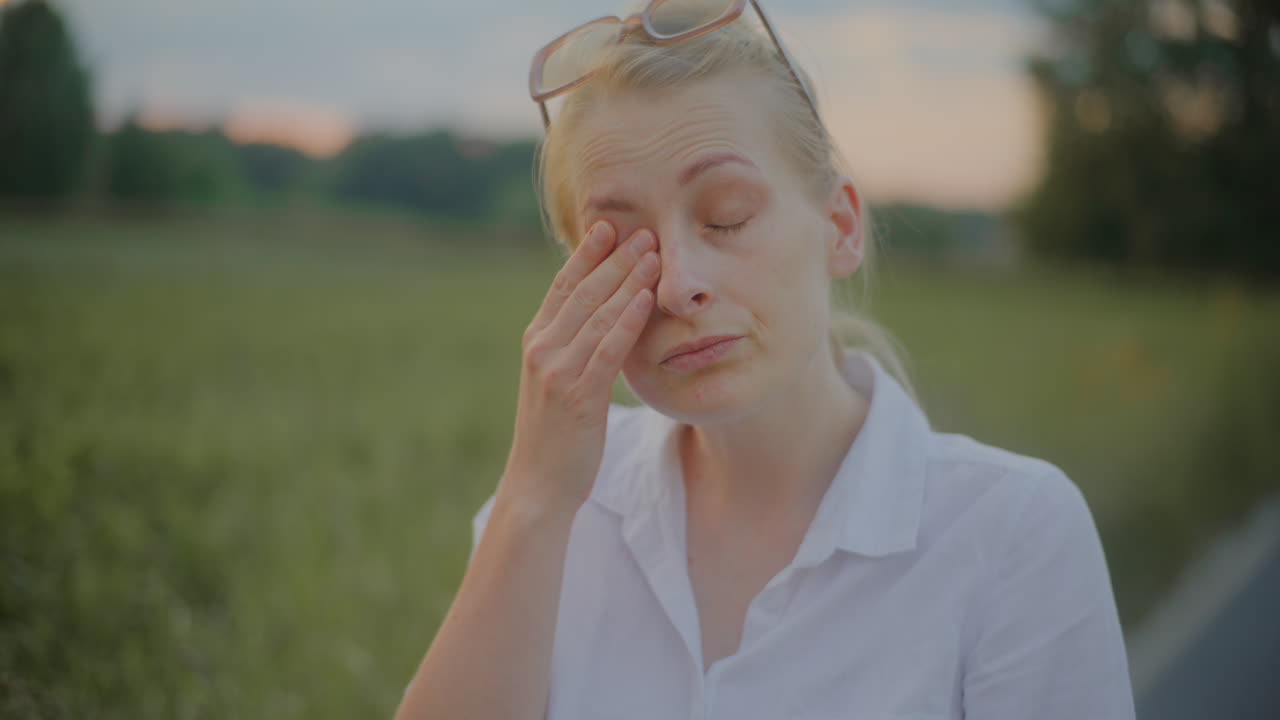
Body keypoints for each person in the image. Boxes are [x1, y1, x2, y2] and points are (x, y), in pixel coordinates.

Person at [395, 1, 1135, 718]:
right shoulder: (546, 519)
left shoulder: (1012, 535)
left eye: (727, 218)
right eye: (624, 249)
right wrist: (533, 498)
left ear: (840, 227)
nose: (680, 283)